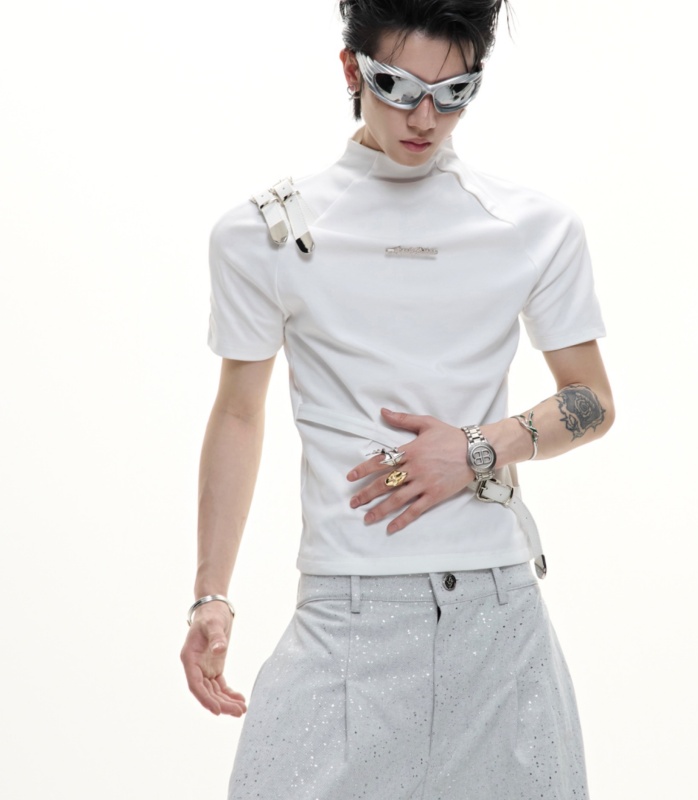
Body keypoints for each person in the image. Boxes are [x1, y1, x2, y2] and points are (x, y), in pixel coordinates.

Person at [180, 1, 614, 798]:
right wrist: (212, 592)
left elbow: (591, 399)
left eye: (454, 94)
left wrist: (476, 449)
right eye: (400, 88)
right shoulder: (262, 235)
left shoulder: (532, 227)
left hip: (498, 621)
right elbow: (239, 411)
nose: (425, 119)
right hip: (345, 620)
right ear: (353, 70)